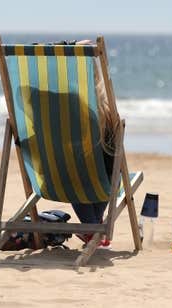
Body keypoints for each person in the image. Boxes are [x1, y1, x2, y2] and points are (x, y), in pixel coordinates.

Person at [69, 39, 117, 247]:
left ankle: (91, 226)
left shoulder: (59, 110)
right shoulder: (106, 112)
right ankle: (93, 226)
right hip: (100, 186)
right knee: (105, 171)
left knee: (73, 171)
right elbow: (114, 163)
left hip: (62, 183)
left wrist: (67, 46)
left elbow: (22, 92)